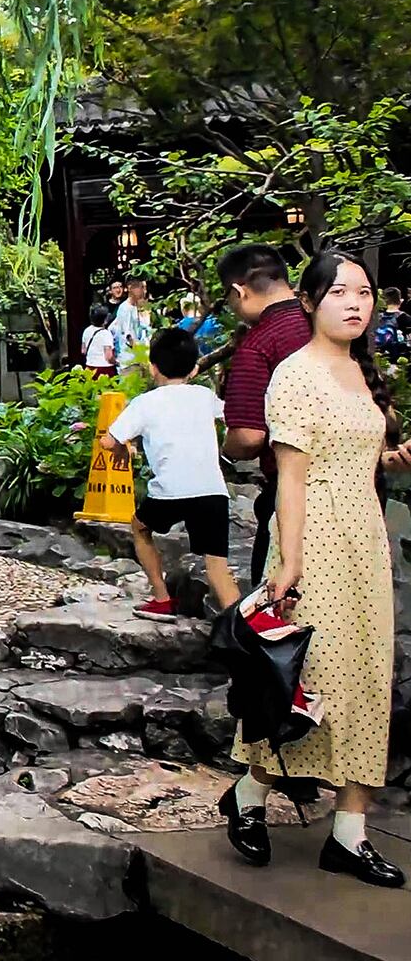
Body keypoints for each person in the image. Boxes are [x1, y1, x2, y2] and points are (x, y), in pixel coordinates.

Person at [220, 250, 407, 888]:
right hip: (314, 542)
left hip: (367, 542)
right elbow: (291, 479)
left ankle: (349, 836)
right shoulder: (295, 375)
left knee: (367, 682)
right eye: (340, 294)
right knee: (307, 687)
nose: (356, 303)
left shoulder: (363, 373)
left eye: (364, 292)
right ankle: (249, 794)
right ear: (309, 303)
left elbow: (357, 454)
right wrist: (289, 563)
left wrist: (390, 457)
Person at [99, 327, 240, 622]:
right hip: (212, 492)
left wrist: (126, 449)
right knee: (217, 566)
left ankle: (162, 598)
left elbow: (108, 441)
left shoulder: (145, 403)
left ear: (153, 368)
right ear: (193, 369)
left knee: (139, 528)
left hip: (170, 492)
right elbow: (232, 417)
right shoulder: (205, 395)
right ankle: (244, 628)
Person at [217, 244, 312, 587]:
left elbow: (248, 437)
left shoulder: (260, 343)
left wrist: (225, 448)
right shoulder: (325, 326)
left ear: (238, 290)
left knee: (273, 611)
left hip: (290, 492)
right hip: (356, 493)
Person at [112, 277, 153, 370]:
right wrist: (142, 357)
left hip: (140, 359)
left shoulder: (136, 307)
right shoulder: (125, 309)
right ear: (131, 288)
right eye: (141, 287)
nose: (144, 291)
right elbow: (129, 336)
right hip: (130, 361)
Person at [80, 301, 116, 375]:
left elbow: (83, 350)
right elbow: (108, 357)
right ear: (105, 320)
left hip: (89, 367)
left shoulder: (87, 330)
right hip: (104, 368)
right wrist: (117, 362)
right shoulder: (106, 334)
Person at [374, 287, 407, 357]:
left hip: (381, 356)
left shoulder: (379, 317)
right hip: (398, 358)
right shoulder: (404, 317)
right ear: (399, 300)